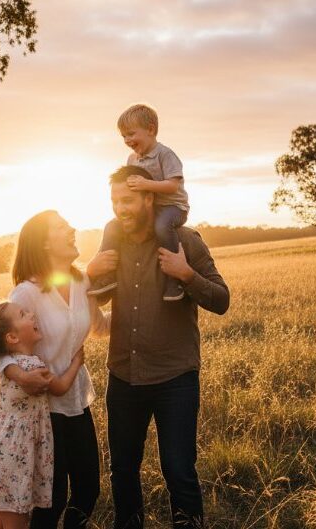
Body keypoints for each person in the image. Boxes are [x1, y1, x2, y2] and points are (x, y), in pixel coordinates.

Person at [87, 166, 230, 529]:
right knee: (122, 468)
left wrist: (185, 274)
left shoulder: (185, 241)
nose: (121, 208)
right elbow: (85, 297)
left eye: (129, 199)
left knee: (179, 469)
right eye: (115, 200)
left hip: (175, 378)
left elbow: (221, 299)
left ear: (149, 196)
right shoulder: (112, 241)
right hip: (123, 376)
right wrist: (88, 272)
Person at [5, 210, 107, 529]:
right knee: (52, 499)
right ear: (44, 243)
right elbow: (5, 348)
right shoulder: (26, 293)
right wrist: (22, 374)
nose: (72, 228)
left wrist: (149, 312)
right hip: (41, 408)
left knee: (89, 490)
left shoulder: (80, 280)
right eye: (62, 227)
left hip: (75, 400)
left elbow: (100, 326)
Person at [0, 301, 85, 529]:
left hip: (0, 454)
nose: (32, 314)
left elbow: (4, 362)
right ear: (12, 338)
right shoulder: (32, 368)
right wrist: (76, 362)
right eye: (23, 314)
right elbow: (61, 386)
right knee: (17, 524)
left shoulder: (7, 363)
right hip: (12, 459)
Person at [89, 104, 191, 302]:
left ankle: (173, 280)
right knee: (112, 226)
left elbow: (173, 186)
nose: (127, 140)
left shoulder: (165, 154)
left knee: (162, 226)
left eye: (131, 134)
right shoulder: (132, 159)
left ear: (151, 130)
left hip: (173, 207)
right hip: (150, 207)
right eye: (123, 136)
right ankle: (107, 277)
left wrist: (146, 184)